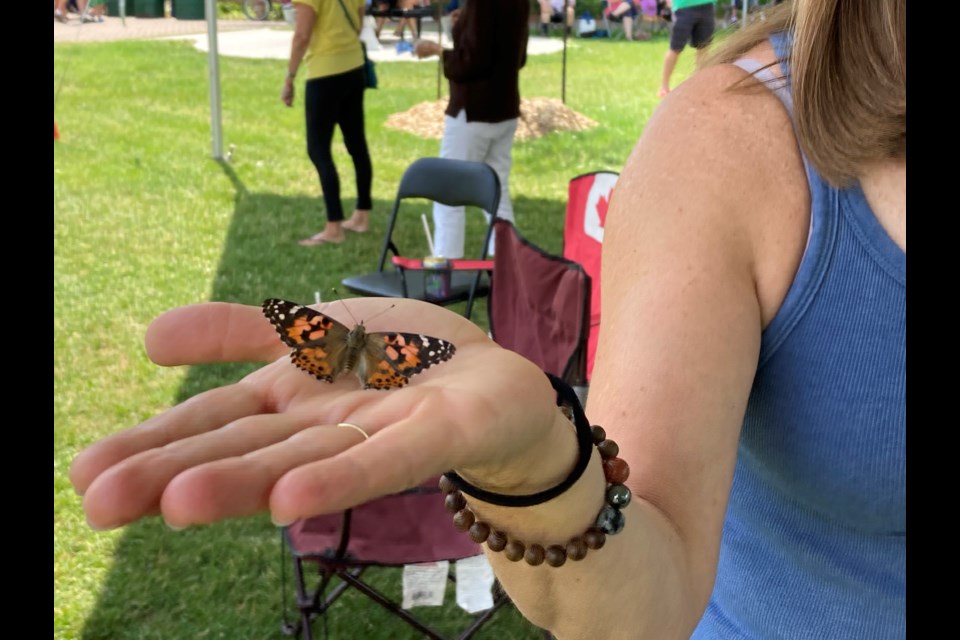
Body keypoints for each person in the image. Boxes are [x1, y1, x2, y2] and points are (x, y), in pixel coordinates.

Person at [70, 1, 905, 638]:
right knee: (484, 204)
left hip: (475, 114)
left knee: (465, 207)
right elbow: (640, 596)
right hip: (495, 118)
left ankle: (454, 249)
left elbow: (467, 63)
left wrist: (441, 52)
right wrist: (538, 463)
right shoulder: (738, 142)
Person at [412, 0, 528, 259]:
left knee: (448, 193)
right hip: (504, 107)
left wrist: (438, 51)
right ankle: (507, 264)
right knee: (498, 192)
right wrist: (463, 23)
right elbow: (517, 56)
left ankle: (446, 266)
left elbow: (472, 61)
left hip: (473, 111)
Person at [284, 0, 373, 246]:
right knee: (357, 144)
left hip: (325, 73)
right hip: (354, 66)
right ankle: (361, 215)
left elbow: (302, 35)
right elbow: (359, 20)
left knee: (318, 149)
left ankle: (334, 227)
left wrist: (289, 77)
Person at [656, 0, 716, 97]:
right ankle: (664, 87)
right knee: (675, 48)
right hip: (684, 7)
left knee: (703, 48)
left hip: (707, 6)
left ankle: (699, 83)